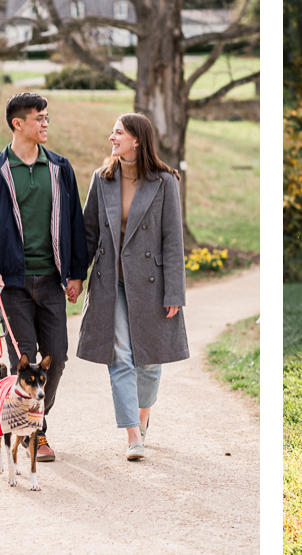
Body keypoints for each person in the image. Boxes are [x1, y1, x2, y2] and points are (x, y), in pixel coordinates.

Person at [0, 92, 88, 462]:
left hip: (51, 280)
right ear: (18, 123)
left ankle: (32, 414)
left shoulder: (60, 168)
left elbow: (75, 222)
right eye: (39, 118)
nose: (46, 123)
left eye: (47, 117)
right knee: (24, 358)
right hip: (13, 285)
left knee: (58, 358)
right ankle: (36, 434)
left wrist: (76, 273)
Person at [77, 112, 188, 461]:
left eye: (119, 133)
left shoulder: (165, 182)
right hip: (110, 283)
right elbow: (88, 233)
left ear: (137, 140)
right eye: (112, 133)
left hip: (151, 285)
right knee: (121, 356)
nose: (112, 138)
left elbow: (173, 241)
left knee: (151, 362)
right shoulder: (102, 179)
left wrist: (174, 292)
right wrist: (76, 276)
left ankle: (142, 416)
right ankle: (132, 435)